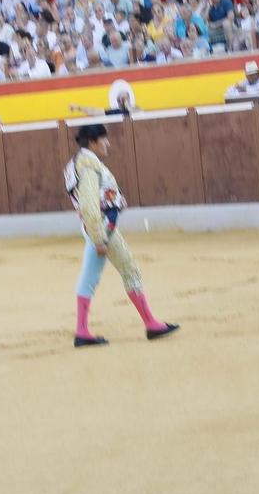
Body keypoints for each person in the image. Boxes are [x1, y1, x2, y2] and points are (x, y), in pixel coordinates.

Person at [63, 123, 178, 347]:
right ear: (92, 142)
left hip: (96, 227)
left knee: (89, 278)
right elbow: (88, 204)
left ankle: (82, 331)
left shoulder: (81, 162)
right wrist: (99, 237)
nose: (108, 143)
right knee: (129, 270)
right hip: (104, 228)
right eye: (103, 139)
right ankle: (151, 324)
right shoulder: (87, 165)